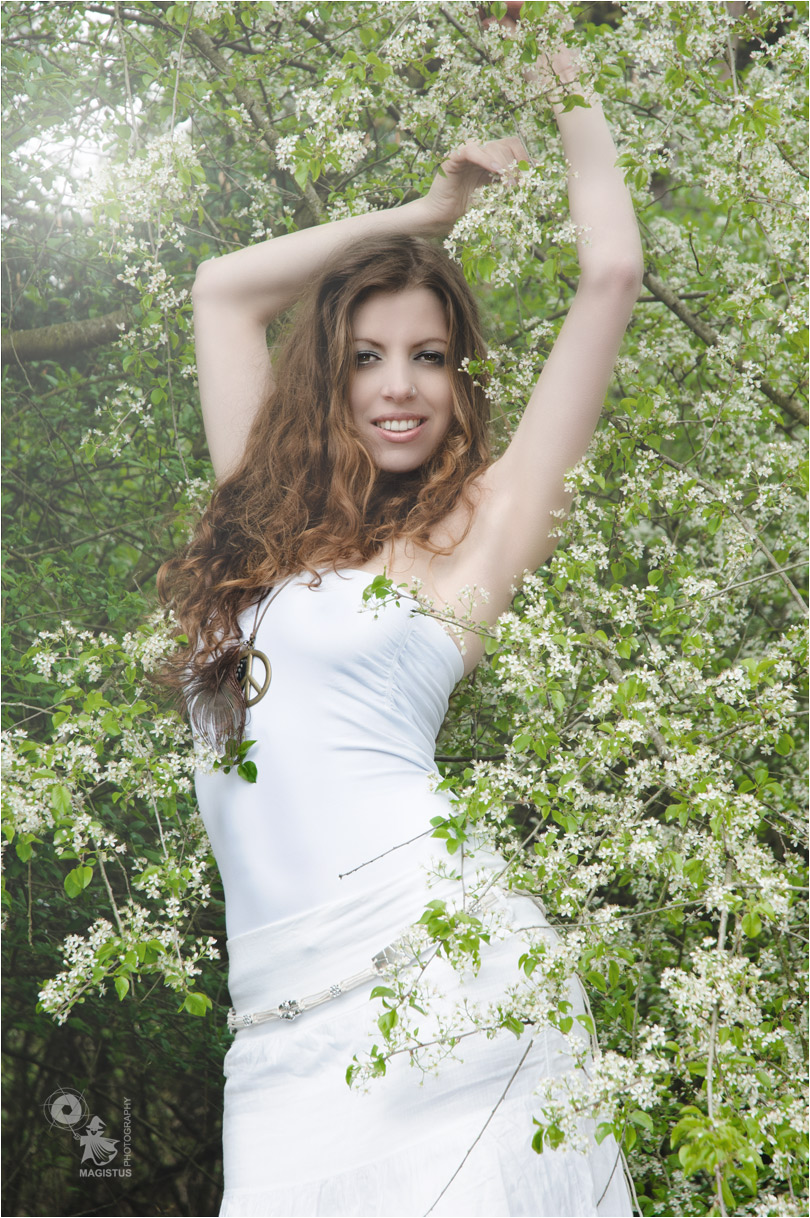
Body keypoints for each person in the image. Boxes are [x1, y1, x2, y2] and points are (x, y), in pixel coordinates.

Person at [159, 13, 643, 1218]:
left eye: (430, 357)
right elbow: (223, 293)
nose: (399, 387)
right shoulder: (257, 525)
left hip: (440, 980)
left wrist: (553, 51)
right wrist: (427, 217)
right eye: (369, 356)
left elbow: (612, 273)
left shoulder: (480, 529)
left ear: (460, 379)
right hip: (275, 1031)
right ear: (330, 374)